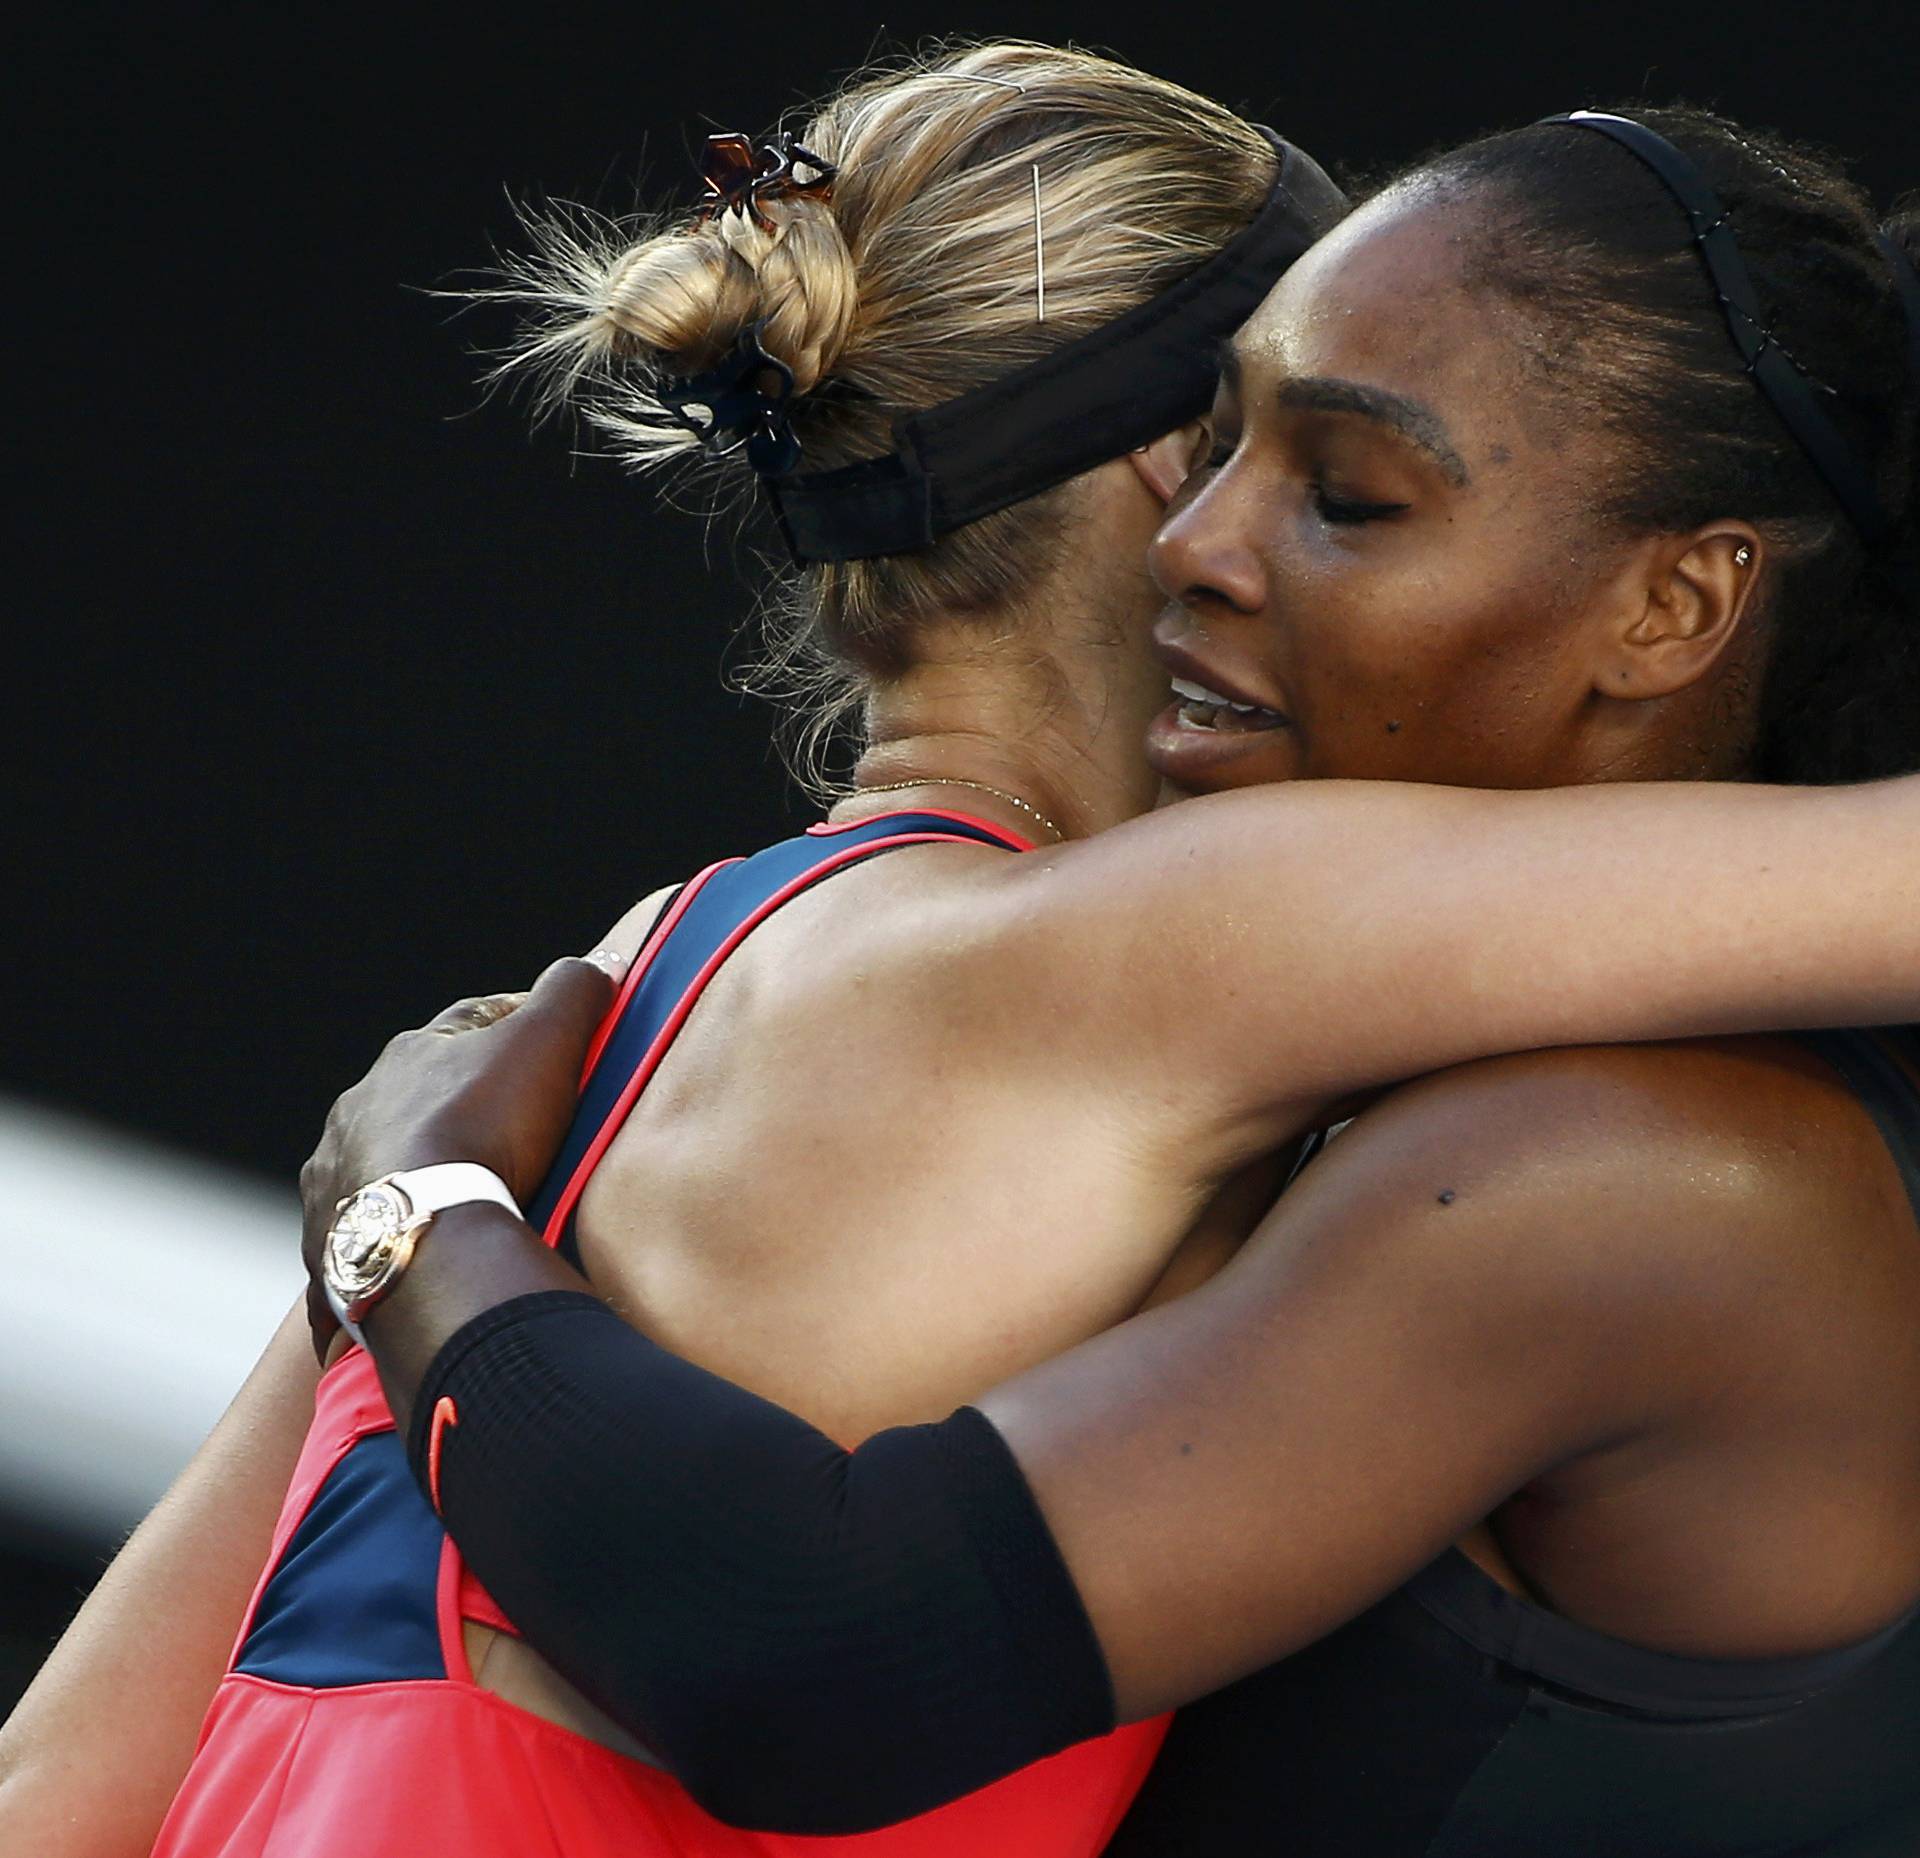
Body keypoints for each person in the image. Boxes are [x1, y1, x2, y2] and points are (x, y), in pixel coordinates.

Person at [3, 52, 1914, 1850]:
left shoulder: (594, 998)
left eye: (1341, 485)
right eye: (1241, 444)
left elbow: (53, 1791)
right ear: (1168, 464)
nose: (1216, 546)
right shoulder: (1183, 960)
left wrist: (414, 1224)